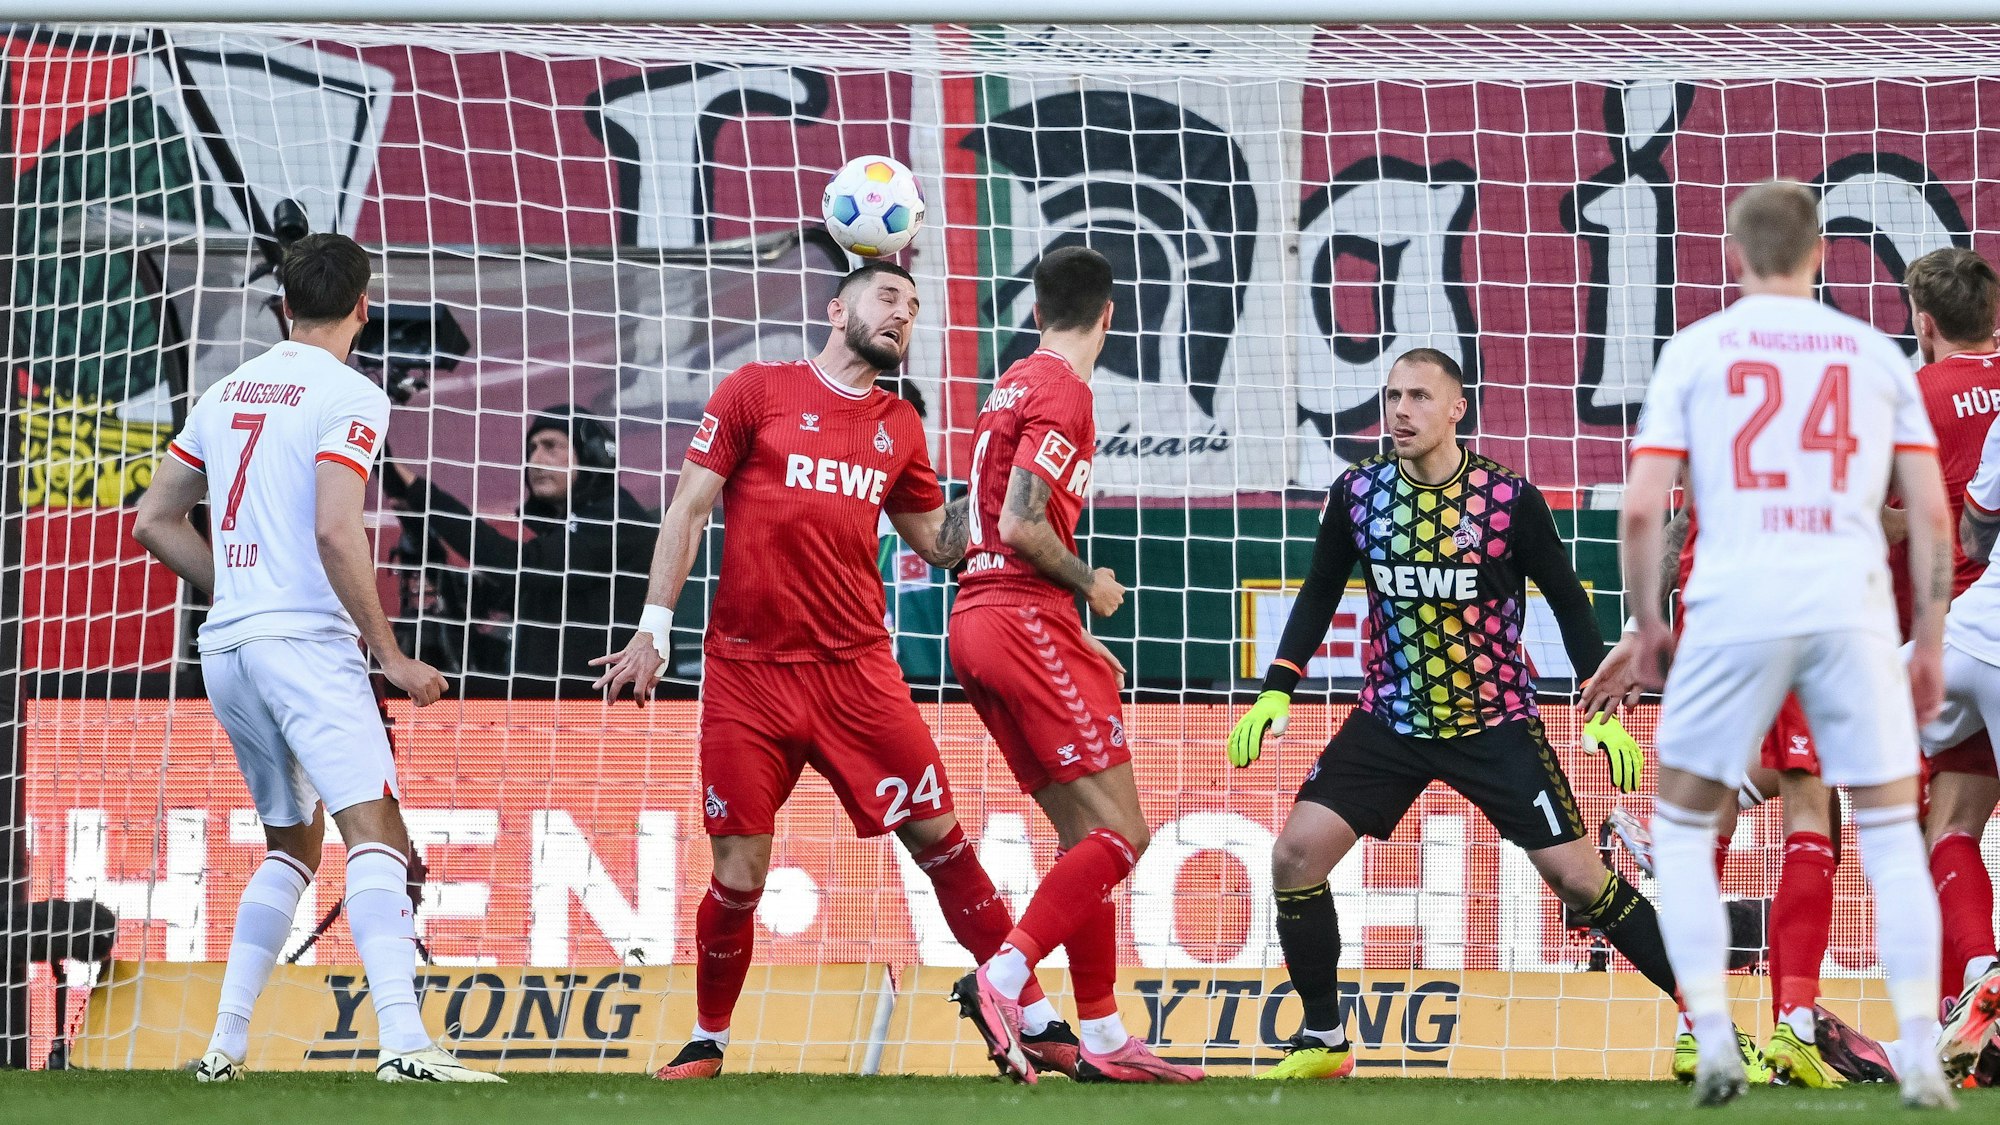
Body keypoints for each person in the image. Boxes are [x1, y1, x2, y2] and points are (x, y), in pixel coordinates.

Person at [592, 261, 1070, 1080]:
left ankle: (1032, 1012)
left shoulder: (899, 426)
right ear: (836, 307)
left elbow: (941, 543)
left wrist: (1001, 466)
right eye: (889, 298)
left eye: (913, 307)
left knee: (942, 841)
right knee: (738, 874)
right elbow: (689, 505)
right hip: (748, 676)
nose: (902, 314)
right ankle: (708, 1039)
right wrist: (653, 629)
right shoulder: (755, 389)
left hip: (858, 675)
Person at [1225, 348, 1687, 1081]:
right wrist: (1278, 684)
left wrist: (1599, 710)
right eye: (1391, 396)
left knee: (1579, 878)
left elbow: (1567, 597)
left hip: (1494, 720)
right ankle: (1324, 1037)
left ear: (1455, 409)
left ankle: (1706, 1020)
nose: (1400, 411)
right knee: (1292, 857)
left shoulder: (1508, 501)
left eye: (1417, 396)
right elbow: (1318, 592)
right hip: (1391, 721)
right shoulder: (1358, 494)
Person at [132, 233, 497, 1083]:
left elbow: (154, 520)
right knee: (376, 834)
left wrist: (240, 592)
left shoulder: (223, 391)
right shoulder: (352, 394)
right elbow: (339, 527)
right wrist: (393, 655)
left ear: (281, 307)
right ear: (363, 308)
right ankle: (406, 1045)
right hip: (304, 643)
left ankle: (224, 1047)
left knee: (290, 849)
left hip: (228, 649)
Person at [1622, 180, 1954, 1108]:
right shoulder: (1868, 355)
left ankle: (1709, 1037)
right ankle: (1905, 1047)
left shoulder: (1697, 351)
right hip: (1842, 610)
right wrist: (1926, 637)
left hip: (1730, 607)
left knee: (1687, 833)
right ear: (1822, 255)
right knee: (1873, 826)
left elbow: (1647, 504)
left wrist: (1651, 627)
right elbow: (1930, 512)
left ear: (1734, 253)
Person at [946, 247, 1200, 1084]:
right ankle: (1007, 977)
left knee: (1081, 838)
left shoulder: (1011, 381)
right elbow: (1021, 522)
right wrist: (1089, 585)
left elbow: (973, 525)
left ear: (1034, 309)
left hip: (977, 619)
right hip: (1022, 614)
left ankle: (1100, 1030)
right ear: (1111, 313)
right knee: (1126, 833)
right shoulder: (1064, 390)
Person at [1589, 503, 1840, 1087]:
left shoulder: (1703, 408)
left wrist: (1638, 630)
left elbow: (1664, 522)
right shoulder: (1852, 409)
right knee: (1814, 800)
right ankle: (1797, 1028)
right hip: (1804, 594)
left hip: (1708, 603)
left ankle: (1697, 1030)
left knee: (1708, 809)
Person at [1887, 246, 2000, 1080]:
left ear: (1924, 322)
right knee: (1955, 823)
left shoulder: (1911, 394)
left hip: (1962, 627)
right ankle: (1978, 995)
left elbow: (1927, 521)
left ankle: (1708, 804)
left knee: (1941, 826)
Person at [383, 405, 657, 696]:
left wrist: (419, 492)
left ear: (593, 454)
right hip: (553, 712)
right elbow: (504, 593)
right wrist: (426, 543)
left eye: (551, 446)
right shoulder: (564, 534)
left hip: (609, 716)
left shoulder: (618, 518)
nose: (536, 460)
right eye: (532, 449)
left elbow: (515, 565)